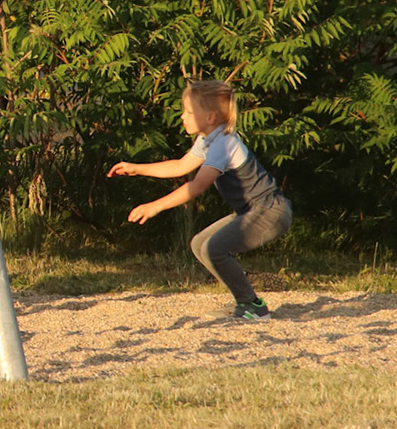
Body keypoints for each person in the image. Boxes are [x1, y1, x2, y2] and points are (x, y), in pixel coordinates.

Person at [109, 80, 292, 319]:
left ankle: (252, 305)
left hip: (269, 211)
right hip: (252, 211)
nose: (182, 116)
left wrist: (155, 206)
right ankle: (244, 294)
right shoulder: (209, 140)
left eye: (188, 112)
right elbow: (180, 166)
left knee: (214, 249)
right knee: (200, 244)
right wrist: (137, 168)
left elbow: (196, 186)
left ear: (210, 117)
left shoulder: (224, 144)